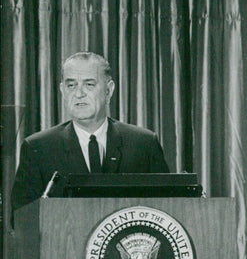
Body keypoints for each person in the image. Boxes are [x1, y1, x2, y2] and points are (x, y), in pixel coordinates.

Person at [10, 51, 170, 216]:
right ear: (62, 91)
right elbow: (21, 222)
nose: (79, 93)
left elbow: (167, 210)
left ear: (109, 90)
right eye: (71, 85)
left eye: (89, 84)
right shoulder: (38, 148)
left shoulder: (143, 144)